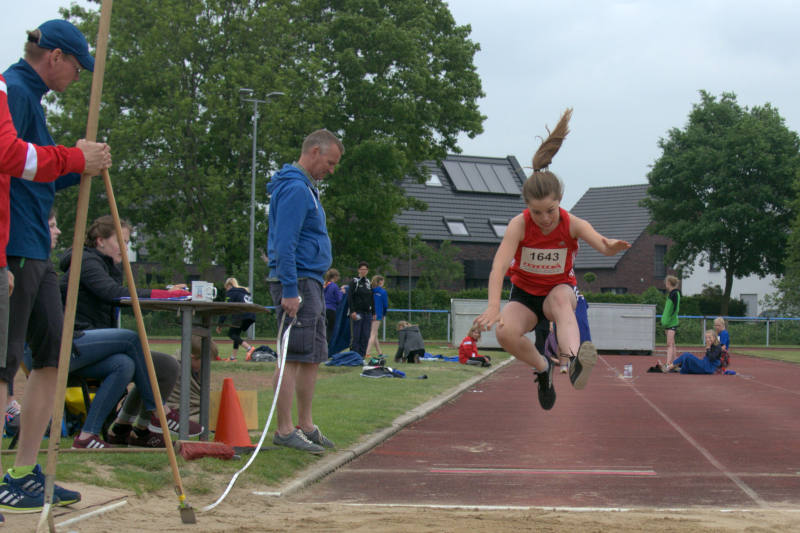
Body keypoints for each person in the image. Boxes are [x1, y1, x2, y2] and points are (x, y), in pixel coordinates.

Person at [0, 19, 113, 513]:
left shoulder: (33, 101)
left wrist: (83, 166)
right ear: (55, 58)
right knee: (4, 366)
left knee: (51, 357)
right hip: (16, 249)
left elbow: (41, 174)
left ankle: (23, 471)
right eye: (76, 67)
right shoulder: (14, 89)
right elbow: (14, 159)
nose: (77, 77)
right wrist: (72, 158)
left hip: (36, 249)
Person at [474, 109, 630, 411]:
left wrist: (611, 247)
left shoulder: (571, 223)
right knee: (504, 332)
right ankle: (544, 368)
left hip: (558, 291)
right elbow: (498, 267)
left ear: (560, 201)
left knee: (561, 300)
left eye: (551, 210)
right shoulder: (518, 225)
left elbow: (601, 244)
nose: (545, 219)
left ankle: (572, 362)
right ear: (527, 208)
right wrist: (494, 306)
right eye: (537, 212)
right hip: (525, 295)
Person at [59, 215, 200, 448]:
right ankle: (159, 411)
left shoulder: (107, 265)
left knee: (158, 365)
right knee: (131, 339)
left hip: (94, 347)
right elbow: (113, 293)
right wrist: (167, 295)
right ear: (100, 240)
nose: (125, 248)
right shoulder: (86, 261)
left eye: (127, 243)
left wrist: (165, 292)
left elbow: (120, 294)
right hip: (72, 344)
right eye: (121, 242)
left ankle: (118, 431)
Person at [266, 128, 343, 453]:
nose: (331, 170)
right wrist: (288, 289)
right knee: (294, 356)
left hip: (310, 281)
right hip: (296, 282)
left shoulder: (308, 190)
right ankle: (284, 429)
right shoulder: (295, 190)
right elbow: (285, 242)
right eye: (330, 162)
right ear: (313, 151)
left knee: (312, 356)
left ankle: (305, 424)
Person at [216, 277, 256, 361]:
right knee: (236, 335)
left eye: (226, 287)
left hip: (242, 315)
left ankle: (249, 348)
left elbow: (226, 309)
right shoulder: (244, 292)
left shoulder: (231, 292)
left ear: (228, 285)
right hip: (251, 315)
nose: (226, 290)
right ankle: (233, 357)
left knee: (231, 334)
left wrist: (220, 324)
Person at [348, 261, 373, 357]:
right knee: (356, 334)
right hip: (358, 312)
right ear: (358, 270)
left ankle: (362, 355)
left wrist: (373, 312)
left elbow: (371, 298)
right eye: (362, 269)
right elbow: (350, 297)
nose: (363, 271)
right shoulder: (354, 282)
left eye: (365, 269)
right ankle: (354, 355)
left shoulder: (368, 282)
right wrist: (352, 310)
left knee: (366, 334)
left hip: (368, 313)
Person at [366, 275, 388, 357]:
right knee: (373, 334)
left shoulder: (370, 290)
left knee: (375, 334)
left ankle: (380, 352)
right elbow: (385, 305)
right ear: (380, 282)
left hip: (369, 313)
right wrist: (384, 314)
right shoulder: (383, 292)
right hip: (378, 314)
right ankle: (367, 353)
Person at [661, 275, 681, 366]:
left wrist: (669, 319)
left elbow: (675, 309)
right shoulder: (671, 294)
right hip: (667, 323)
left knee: (669, 344)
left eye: (666, 283)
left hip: (671, 322)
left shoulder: (675, 294)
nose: (665, 284)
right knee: (672, 343)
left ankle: (668, 363)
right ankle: (675, 362)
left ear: (669, 283)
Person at [323, 268, 344, 341]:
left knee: (323, 328)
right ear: (335, 276)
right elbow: (339, 300)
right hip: (331, 309)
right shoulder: (334, 286)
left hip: (323, 309)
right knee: (330, 330)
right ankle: (327, 346)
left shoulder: (324, 285)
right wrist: (341, 292)